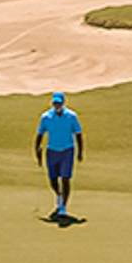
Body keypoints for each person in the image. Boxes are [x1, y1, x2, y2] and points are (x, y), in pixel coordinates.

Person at [33, 92, 84, 221]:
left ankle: (63, 207)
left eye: (59, 103)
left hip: (67, 150)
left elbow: (78, 134)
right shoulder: (46, 117)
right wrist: (37, 150)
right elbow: (40, 134)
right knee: (53, 179)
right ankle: (59, 195)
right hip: (52, 151)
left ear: (63, 103)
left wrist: (80, 152)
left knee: (65, 179)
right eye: (55, 103)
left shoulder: (72, 116)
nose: (57, 105)